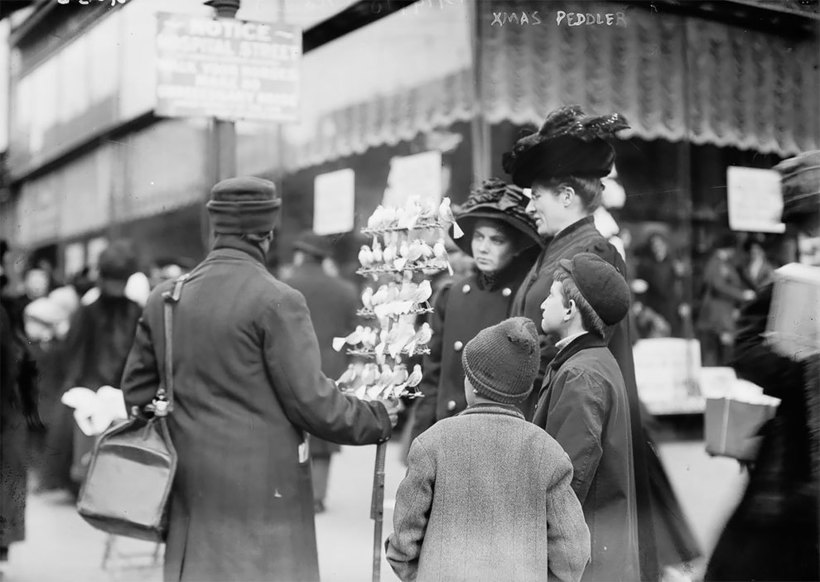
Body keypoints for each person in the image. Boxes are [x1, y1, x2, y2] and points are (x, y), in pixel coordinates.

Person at [120, 176, 400, 582]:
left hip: (188, 483)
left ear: (215, 228)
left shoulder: (166, 298)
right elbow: (312, 402)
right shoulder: (277, 301)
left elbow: (137, 394)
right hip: (266, 489)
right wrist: (376, 417)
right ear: (268, 232)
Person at [503, 104, 700, 580]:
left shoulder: (590, 250)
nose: (530, 206)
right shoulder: (558, 247)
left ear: (567, 195)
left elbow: (581, 346)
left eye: (538, 196)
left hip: (573, 413)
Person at [386, 317, 590, 582]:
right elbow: (572, 553)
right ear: (524, 391)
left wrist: (420, 574)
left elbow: (405, 536)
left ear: (471, 384)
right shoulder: (548, 453)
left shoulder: (432, 443)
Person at [705, 150, 820, 581]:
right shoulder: (786, 284)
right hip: (791, 460)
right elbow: (745, 347)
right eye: (806, 231)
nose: (813, 241)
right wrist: (797, 366)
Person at [409, 177, 542, 442]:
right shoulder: (452, 294)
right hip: (448, 431)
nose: (483, 247)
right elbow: (432, 376)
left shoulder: (524, 297)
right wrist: (421, 440)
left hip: (499, 437)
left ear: (515, 247)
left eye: (496, 240)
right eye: (479, 237)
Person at [534, 252, 639, 581]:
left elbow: (566, 479)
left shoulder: (581, 375)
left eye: (550, 295)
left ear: (569, 309)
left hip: (583, 559)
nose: (542, 305)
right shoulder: (592, 361)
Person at [281, 229, 360, 514]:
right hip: (332, 365)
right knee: (325, 430)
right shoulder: (346, 290)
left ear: (301, 254)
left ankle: (294, 491)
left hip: (292, 362)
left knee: (292, 426)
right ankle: (318, 495)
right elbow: (354, 331)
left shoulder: (284, 285)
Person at [58, 239, 144, 493]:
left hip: (121, 387)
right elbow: (75, 352)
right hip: (91, 386)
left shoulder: (135, 311)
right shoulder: (88, 311)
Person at [695, 237, 755, 367]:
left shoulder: (721, 263)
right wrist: (742, 295)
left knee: (722, 353)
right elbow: (718, 285)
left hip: (723, 314)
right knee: (721, 355)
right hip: (719, 316)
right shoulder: (717, 263)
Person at [636, 232, 689, 338]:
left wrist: (685, 302)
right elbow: (642, 287)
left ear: (665, 246)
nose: (657, 248)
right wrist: (640, 303)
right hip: (654, 308)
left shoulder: (674, 264)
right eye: (654, 246)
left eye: (659, 245)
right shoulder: (646, 266)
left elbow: (683, 284)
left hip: (672, 308)